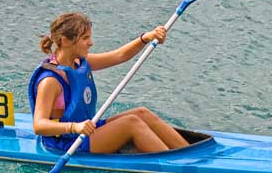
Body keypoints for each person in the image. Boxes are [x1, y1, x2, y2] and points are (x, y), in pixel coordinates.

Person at [28, 12, 189, 154]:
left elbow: (120, 55)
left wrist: (145, 38)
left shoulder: (79, 62)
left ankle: (188, 153)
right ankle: (174, 163)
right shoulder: (50, 81)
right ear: (65, 41)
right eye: (85, 38)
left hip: (84, 131)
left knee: (141, 113)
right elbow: (39, 125)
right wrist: (74, 127)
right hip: (66, 142)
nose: (91, 43)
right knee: (130, 123)